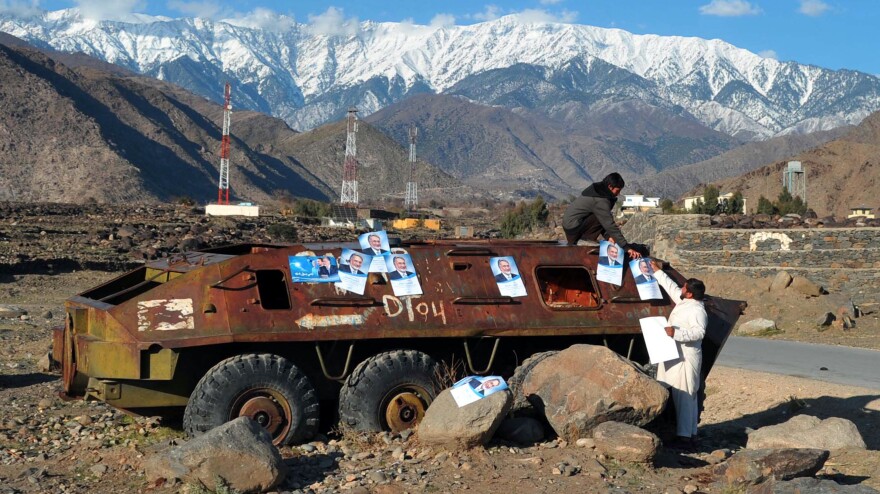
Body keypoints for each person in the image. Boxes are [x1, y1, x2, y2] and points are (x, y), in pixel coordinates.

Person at [650, 259, 707, 449]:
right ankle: (685, 433)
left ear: (690, 293)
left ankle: (687, 436)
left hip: (686, 356)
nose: (681, 289)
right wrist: (657, 272)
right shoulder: (685, 302)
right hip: (673, 353)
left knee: (686, 395)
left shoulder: (698, 310)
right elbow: (671, 287)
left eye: (684, 287)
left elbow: (699, 333)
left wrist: (677, 334)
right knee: (675, 392)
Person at [562, 173, 641, 259]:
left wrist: (608, 236)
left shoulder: (598, 193)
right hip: (574, 229)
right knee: (604, 217)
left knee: (602, 215)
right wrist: (626, 248)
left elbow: (602, 221)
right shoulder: (600, 200)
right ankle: (582, 240)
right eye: (617, 191)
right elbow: (609, 224)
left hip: (573, 227)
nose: (618, 194)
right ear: (610, 187)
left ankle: (584, 238)